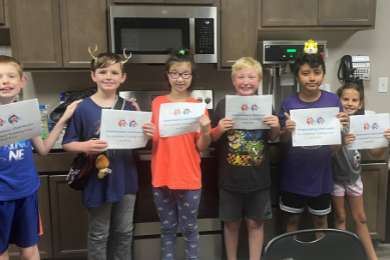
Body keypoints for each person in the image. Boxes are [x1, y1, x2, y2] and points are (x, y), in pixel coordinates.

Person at [0, 55, 69, 260]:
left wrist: (63, 119)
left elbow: (43, 149)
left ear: (22, 82)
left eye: (12, 76)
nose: (5, 81)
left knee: (30, 250)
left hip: (25, 191)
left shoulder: (27, 113)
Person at [62, 50, 150, 260]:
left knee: (125, 232)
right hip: (96, 181)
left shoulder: (130, 108)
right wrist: (86, 146)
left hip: (125, 179)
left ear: (122, 77)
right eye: (102, 72)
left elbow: (139, 143)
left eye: (114, 72)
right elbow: (68, 144)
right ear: (93, 76)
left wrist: (148, 135)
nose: (108, 77)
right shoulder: (82, 108)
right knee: (99, 234)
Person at [210, 57, 280, 260]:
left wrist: (276, 126)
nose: (246, 81)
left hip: (258, 180)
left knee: (255, 223)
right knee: (231, 224)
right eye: (240, 77)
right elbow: (212, 138)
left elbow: (273, 138)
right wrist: (218, 129)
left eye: (251, 77)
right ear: (233, 80)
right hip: (230, 180)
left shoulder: (266, 106)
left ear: (258, 81)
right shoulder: (223, 105)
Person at [149, 49, 211, 260]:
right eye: (175, 73)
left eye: (186, 74)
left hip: (188, 176)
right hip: (161, 176)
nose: (180, 79)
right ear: (167, 74)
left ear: (192, 77)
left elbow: (203, 146)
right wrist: (146, 133)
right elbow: (152, 137)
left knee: (190, 228)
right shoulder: (157, 104)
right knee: (166, 228)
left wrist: (204, 130)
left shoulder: (198, 107)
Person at [278, 52, 347, 237]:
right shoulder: (288, 103)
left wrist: (343, 125)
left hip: (321, 174)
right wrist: (287, 130)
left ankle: (321, 254)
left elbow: (335, 138)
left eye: (317, 72)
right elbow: (283, 139)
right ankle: (291, 255)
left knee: (321, 221)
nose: (312, 77)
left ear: (323, 74)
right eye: (306, 73)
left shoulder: (333, 100)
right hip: (294, 174)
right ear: (297, 76)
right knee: (292, 219)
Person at [331, 82, 390, 260]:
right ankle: (342, 255)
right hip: (335, 179)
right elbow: (328, 154)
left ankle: (372, 257)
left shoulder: (363, 125)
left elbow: (376, 154)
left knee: (361, 218)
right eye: (345, 99)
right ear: (338, 100)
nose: (349, 103)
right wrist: (341, 142)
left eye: (354, 100)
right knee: (340, 216)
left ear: (360, 104)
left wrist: (386, 141)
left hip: (354, 179)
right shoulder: (333, 123)